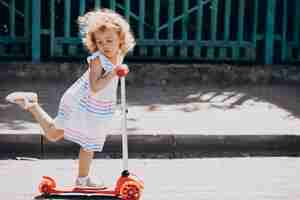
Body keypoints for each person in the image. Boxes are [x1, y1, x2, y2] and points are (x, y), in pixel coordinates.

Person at [5, 8, 135, 187]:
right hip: (82, 103)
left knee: (54, 134)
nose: (105, 45)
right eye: (100, 42)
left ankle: (32, 104)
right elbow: (95, 87)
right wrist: (113, 73)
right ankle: (82, 179)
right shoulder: (98, 60)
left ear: (121, 39)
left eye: (109, 40)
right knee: (89, 143)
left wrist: (119, 69)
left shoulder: (118, 53)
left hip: (96, 106)